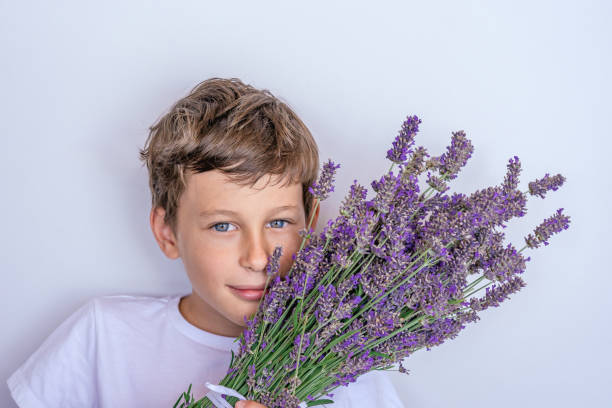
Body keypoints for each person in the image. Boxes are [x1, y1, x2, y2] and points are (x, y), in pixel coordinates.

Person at [7, 77, 405, 407]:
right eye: (222, 227)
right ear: (167, 232)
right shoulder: (103, 337)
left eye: (279, 221)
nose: (257, 257)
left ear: (311, 224)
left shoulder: (350, 367)